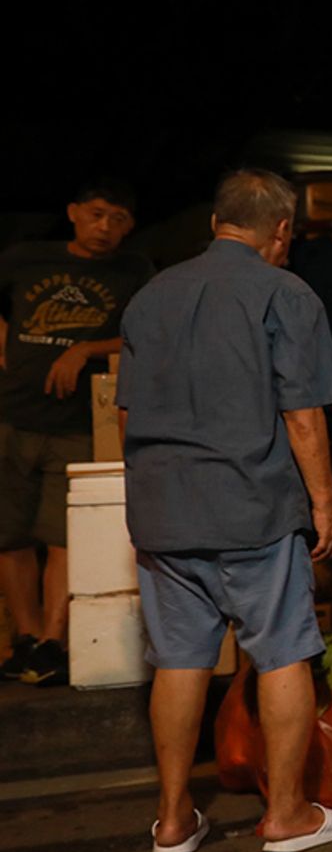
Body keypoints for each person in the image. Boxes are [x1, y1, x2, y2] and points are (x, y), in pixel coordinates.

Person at [118, 168, 332, 852]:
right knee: (285, 651)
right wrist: (326, 507)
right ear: (281, 231)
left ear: (216, 221)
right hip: (251, 505)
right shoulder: (284, 293)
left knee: (179, 659)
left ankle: (172, 821)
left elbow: (129, 413)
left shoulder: (149, 298)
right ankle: (286, 814)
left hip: (164, 511)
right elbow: (303, 416)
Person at [0, 183, 152, 686]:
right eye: (96, 214)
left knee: (64, 537)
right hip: (13, 414)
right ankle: (22, 638)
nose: (105, 227)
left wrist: (83, 350)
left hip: (79, 424)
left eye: (117, 219)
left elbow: (142, 331)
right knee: (10, 535)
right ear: (73, 213)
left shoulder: (133, 271)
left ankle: (51, 641)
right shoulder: (26, 258)